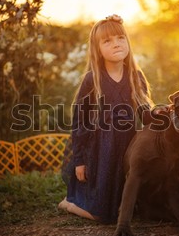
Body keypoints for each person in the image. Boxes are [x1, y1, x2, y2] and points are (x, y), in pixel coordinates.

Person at [58, 14, 154, 224]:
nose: (116, 44)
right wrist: (80, 161)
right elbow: (79, 123)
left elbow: (146, 114)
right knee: (103, 216)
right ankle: (69, 203)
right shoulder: (93, 79)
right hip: (101, 154)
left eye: (120, 38)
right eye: (107, 41)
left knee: (131, 209)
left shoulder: (135, 77)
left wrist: (163, 115)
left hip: (128, 150)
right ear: (98, 49)